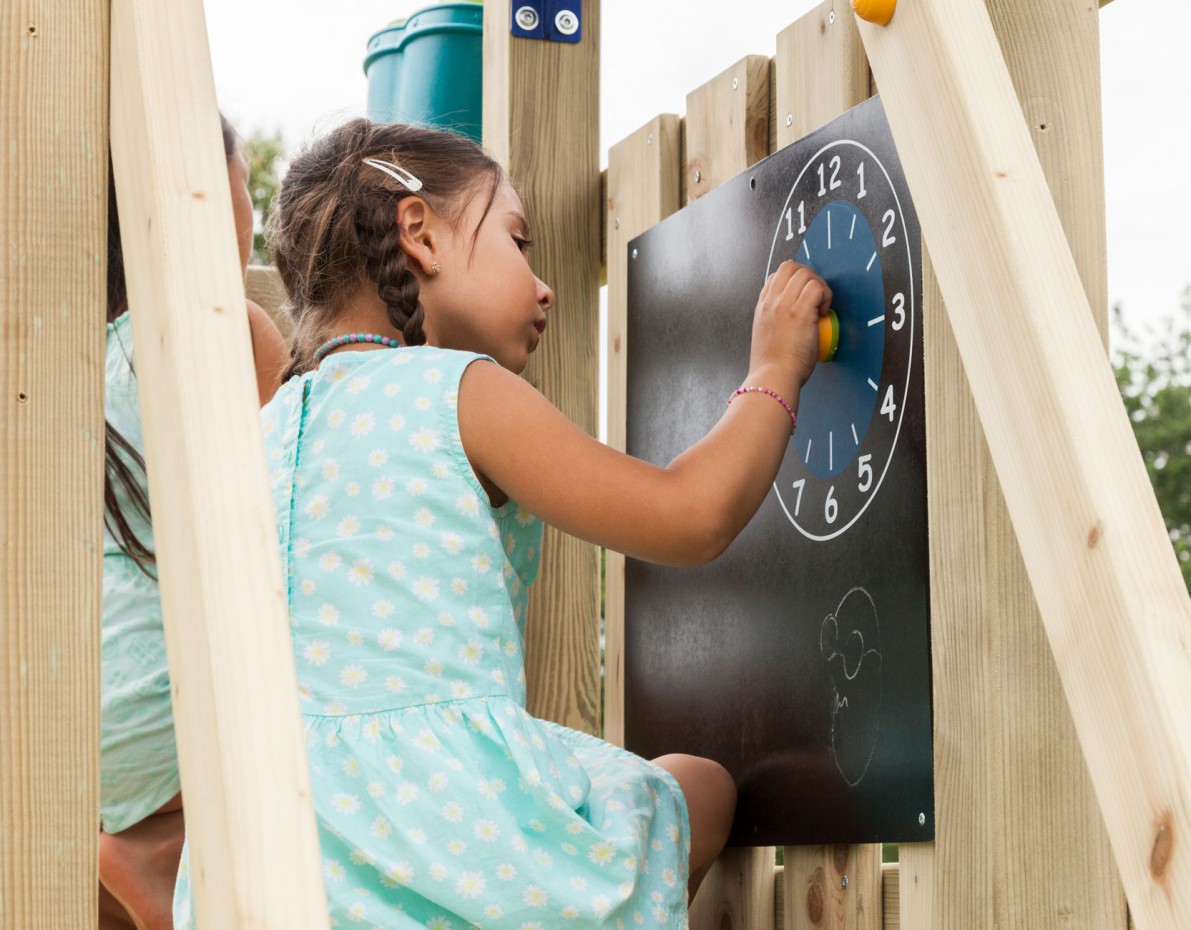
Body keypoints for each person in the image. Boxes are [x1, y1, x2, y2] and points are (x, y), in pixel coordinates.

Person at [172, 119, 830, 930]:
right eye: (518, 241)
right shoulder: (456, 389)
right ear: (420, 235)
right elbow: (688, 515)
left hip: (266, 857)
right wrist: (772, 370)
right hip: (449, 840)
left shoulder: (260, 434)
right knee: (697, 786)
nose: (543, 282)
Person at [99, 113, 289, 930]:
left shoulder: (65, 357)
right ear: (207, 199)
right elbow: (290, 514)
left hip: (82, 720)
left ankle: (144, 841)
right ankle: (153, 848)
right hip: (166, 723)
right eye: (249, 187)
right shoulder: (221, 331)